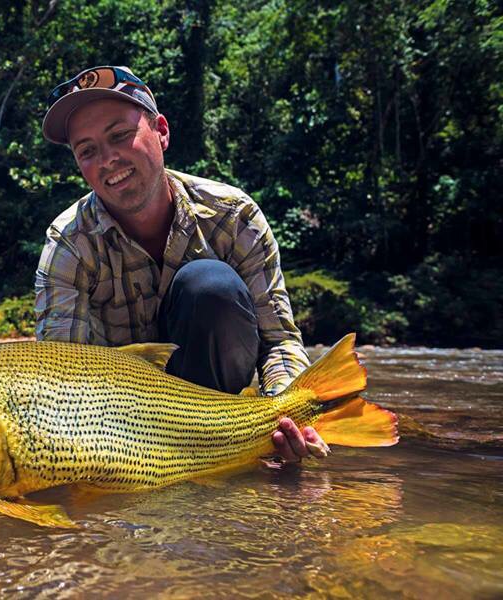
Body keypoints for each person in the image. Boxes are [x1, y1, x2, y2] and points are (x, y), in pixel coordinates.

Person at [35, 66, 328, 464]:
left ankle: (230, 453)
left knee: (209, 284)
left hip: (221, 417)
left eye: (120, 135)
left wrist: (289, 419)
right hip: (124, 433)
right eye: (87, 151)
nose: (107, 159)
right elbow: (62, 379)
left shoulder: (233, 216)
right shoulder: (69, 243)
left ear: (162, 131)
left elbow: (279, 341)